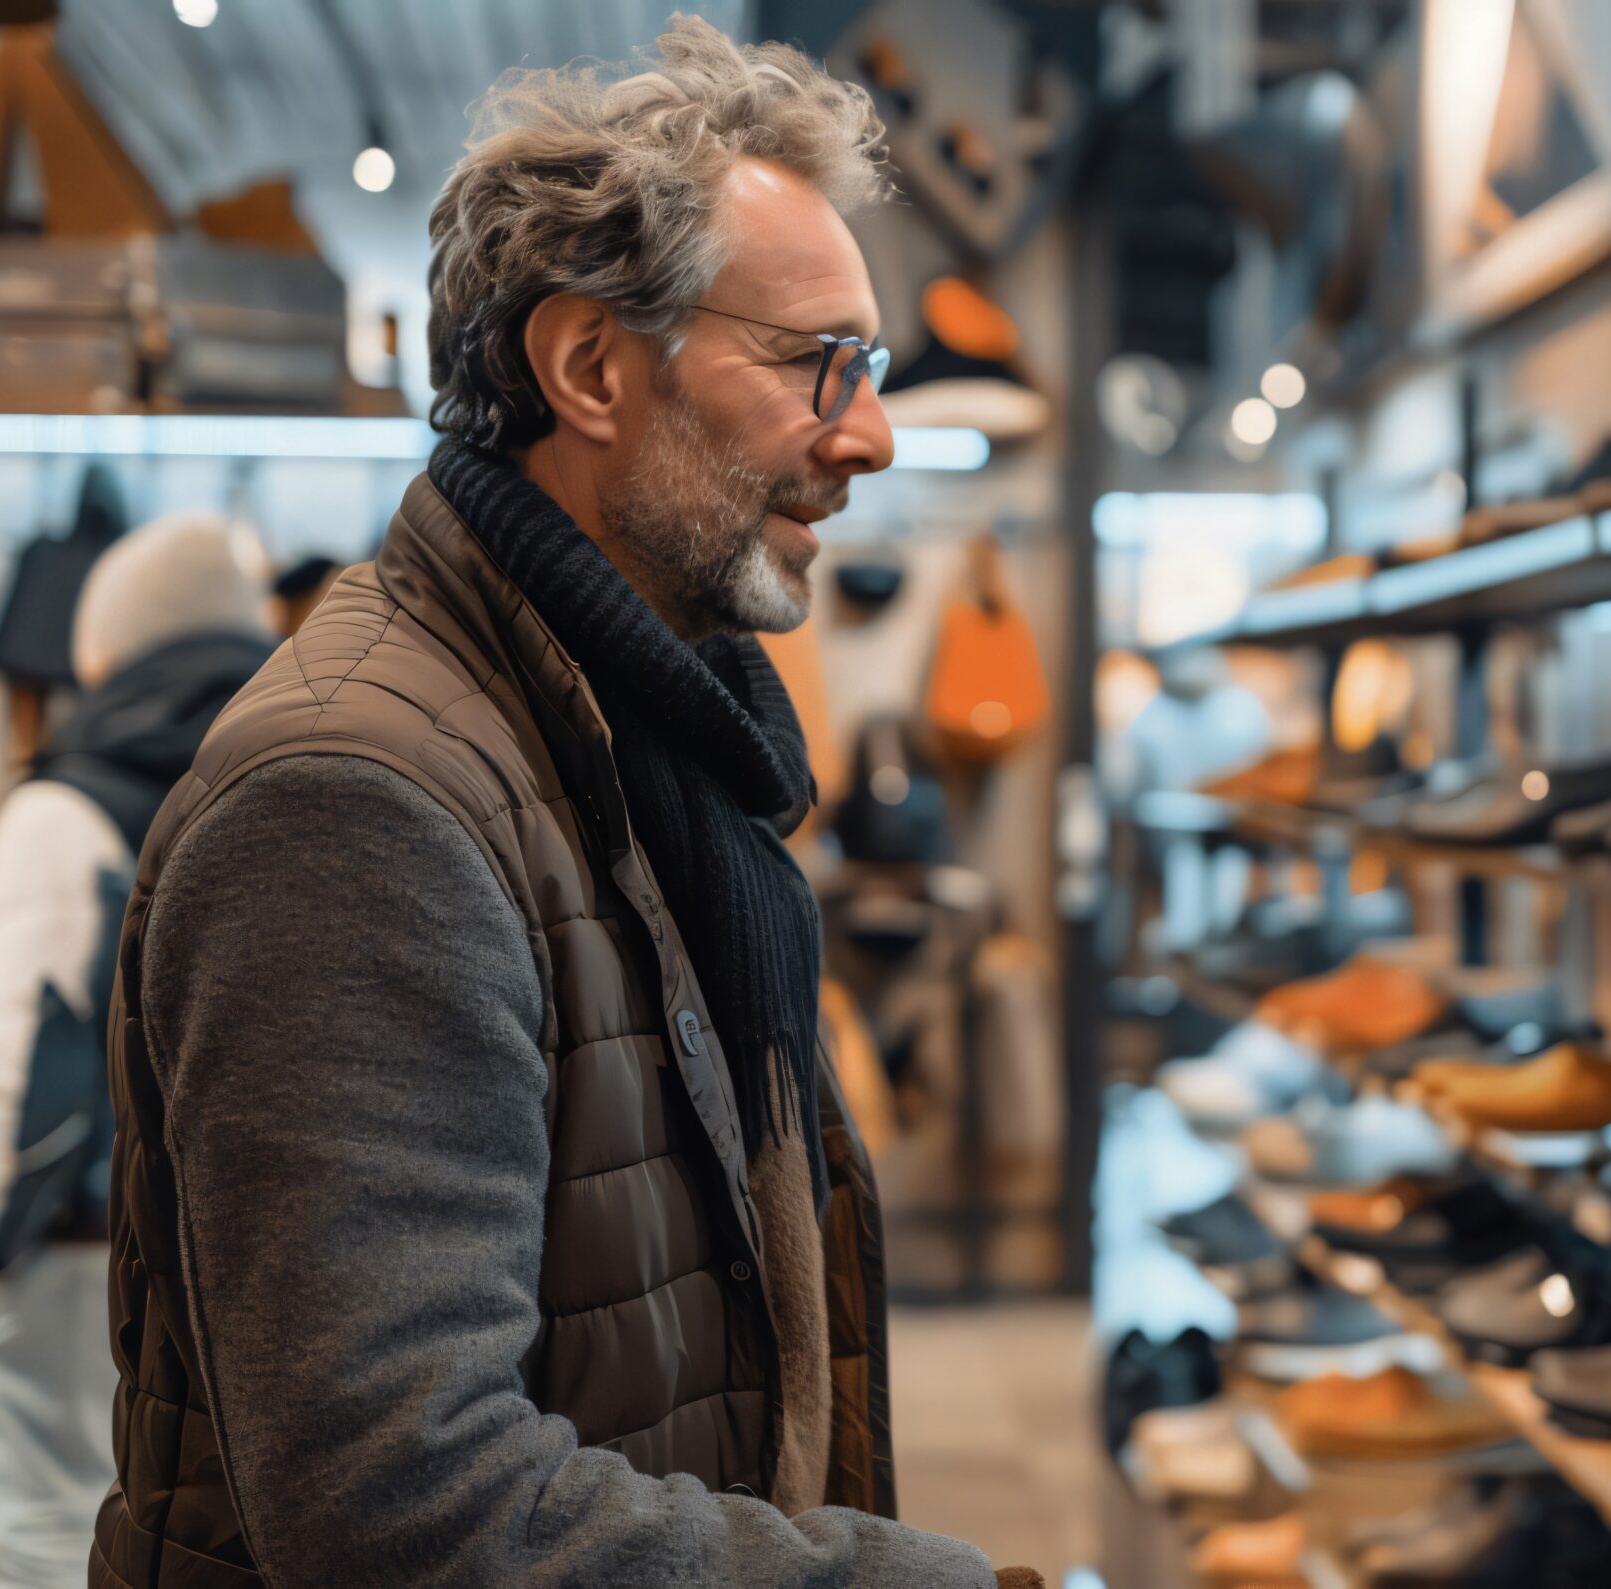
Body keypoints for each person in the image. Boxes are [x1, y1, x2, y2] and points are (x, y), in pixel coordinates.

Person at [91, 19, 1039, 1589]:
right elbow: (402, 1499)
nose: (869, 432)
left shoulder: (645, 745)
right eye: (821, 363)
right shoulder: (355, 802)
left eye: (866, 369)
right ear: (592, 367)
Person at [0, 513, 271, 1588]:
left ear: (100, 648)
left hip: (82, 1228)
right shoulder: (290, 773)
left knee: (52, 1515)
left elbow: (18, 1031)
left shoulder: (62, 807)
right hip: (246, 1243)